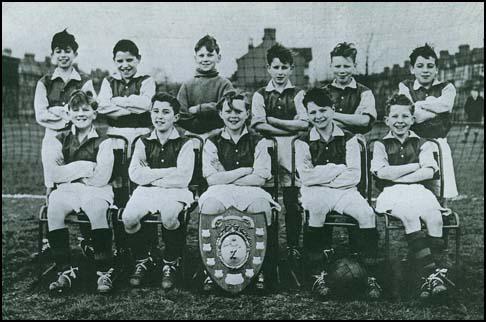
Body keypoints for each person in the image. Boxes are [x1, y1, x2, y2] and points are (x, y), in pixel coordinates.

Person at [295, 88, 381, 299]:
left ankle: (370, 275)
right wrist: (336, 169)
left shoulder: (350, 139)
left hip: (345, 190)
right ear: (307, 114)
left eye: (323, 110)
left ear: (332, 110)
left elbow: (354, 176)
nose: (318, 116)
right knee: (316, 211)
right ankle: (317, 275)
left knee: (367, 214)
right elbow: (306, 177)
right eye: (313, 112)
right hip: (315, 191)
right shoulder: (301, 141)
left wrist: (322, 175)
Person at [371, 93, 454, 300]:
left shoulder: (425, 144)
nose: (400, 121)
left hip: (418, 190)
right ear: (387, 120)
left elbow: (429, 172)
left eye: (405, 116)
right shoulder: (380, 145)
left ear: (412, 119)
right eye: (395, 117)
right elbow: (382, 173)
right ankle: (431, 276)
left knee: (435, 217)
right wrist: (415, 166)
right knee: (409, 216)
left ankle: (429, 275)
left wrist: (397, 175)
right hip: (390, 193)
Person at [199, 90, 281, 291]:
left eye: (238, 111)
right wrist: (245, 170)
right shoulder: (212, 141)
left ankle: (260, 269)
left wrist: (227, 176)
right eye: (228, 111)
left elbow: (261, 177)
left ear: (247, 114)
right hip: (220, 190)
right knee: (210, 206)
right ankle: (211, 270)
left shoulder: (259, 140)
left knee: (261, 206)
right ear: (220, 113)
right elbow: (211, 178)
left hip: (251, 190)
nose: (233, 116)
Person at [44, 90, 116, 294]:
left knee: (96, 210)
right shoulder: (59, 138)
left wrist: (68, 170)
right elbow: (54, 173)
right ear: (68, 113)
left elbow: (102, 176)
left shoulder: (105, 140)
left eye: (86, 109)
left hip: (97, 189)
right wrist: (85, 167)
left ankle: (104, 271)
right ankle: (65, 271)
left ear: (95, 113)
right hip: (68, 188)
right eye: (75, 109)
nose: (80, 114)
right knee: (54, 210)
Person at [121, 93, 195, 290]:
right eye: (155, 111)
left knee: (170, 217)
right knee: (128, 218)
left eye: (166, 112)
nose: (159, 116)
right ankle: (143, 260)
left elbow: (183, 178)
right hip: (146, 190)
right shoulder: (142, 141)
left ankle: (171, 262)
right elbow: (135, 174)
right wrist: (168, 171)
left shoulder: (185, 142)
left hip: (176, 191)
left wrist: (151, 174)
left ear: (176, 117)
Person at [251, 43, 309, 264]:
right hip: (268, 151)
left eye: (285, 67)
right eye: (276, 67)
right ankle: (268, 247)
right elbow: (259, 125)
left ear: (291, 68)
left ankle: (294, 246)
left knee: (292, 204)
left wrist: (273, 121)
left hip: (293, 153)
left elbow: (303, 124)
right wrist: (288, 125)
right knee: (268, 201)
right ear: (268, 68)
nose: (280, 72)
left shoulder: (298, 93)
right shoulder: (260, 94)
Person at [97, 39, 156, 206]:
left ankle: (143, 225)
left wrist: (117, 101)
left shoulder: (146, 80)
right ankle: (120, 223)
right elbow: (102, 107)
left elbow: (146, 104)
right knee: (117, 179)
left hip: (141, 136)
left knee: (140, 179)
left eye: (129, 60)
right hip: (115, 137)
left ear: (138, 59)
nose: (125, 65)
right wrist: (132, 106)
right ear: (114, 61)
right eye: (120, 61)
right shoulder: (108, 81)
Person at [35, 29, 95, 194]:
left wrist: (58, 111)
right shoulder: (44, 82)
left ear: (75, 54)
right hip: (53, 134)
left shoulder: (84, 81)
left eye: (67, 51)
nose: (63, 55)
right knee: (50, 158)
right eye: (58, 51)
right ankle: (50, 198)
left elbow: (89, 110)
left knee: (79, 172)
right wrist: (68, 117)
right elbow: (41, 115)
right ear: (53, 54)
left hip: (78, 134)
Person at [398, 43, 458, 199]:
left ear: (436, 69)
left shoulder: (447, 87)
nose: (425, 70)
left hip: (439, 143)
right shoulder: (405, 86)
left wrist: (419, 105)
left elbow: (446, 105)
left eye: (430, 66)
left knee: (442, 189)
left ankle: (442, 214)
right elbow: (412, 115)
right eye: (420, 66)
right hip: (414, 144)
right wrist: (436, 112)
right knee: (416, 188)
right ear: (412, 69)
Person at [177, 35, 234, 139]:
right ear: (195, 58)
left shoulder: (225, 84)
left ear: (219, 58)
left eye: (210, 55)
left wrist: (199, 109)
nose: (205, 59)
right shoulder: (187, 85)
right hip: (192, 136)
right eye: (201, 56)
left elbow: (227, 110)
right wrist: (199, 131)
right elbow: (182, 115)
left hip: (219, 135)